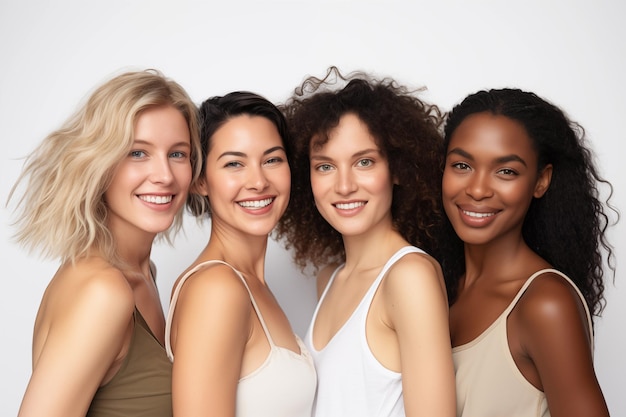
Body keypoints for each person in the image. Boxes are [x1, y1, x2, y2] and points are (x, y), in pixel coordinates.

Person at [8, 70, 201, 417]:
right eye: (137, 153)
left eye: (177, 154)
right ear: (99, 164)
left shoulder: (141, 274)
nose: (164, 175)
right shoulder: (103, 290)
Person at [276, 67, 456, 417]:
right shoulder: (329, 278)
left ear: (399, 168)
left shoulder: (409, 277)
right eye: (325, 166)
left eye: (364, 162)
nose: (344, 185)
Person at [439, 88, 616, 417]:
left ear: (541, 181)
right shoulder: (442, 288)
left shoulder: (545, 304)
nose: (477, 189)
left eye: (506, 171)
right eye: (462, 165)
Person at [164, 91, 316, 417]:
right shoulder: (217, 288)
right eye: (234, 163)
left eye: (272, 159)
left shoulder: (249, 284)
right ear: (201, 180)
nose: (258, 181)